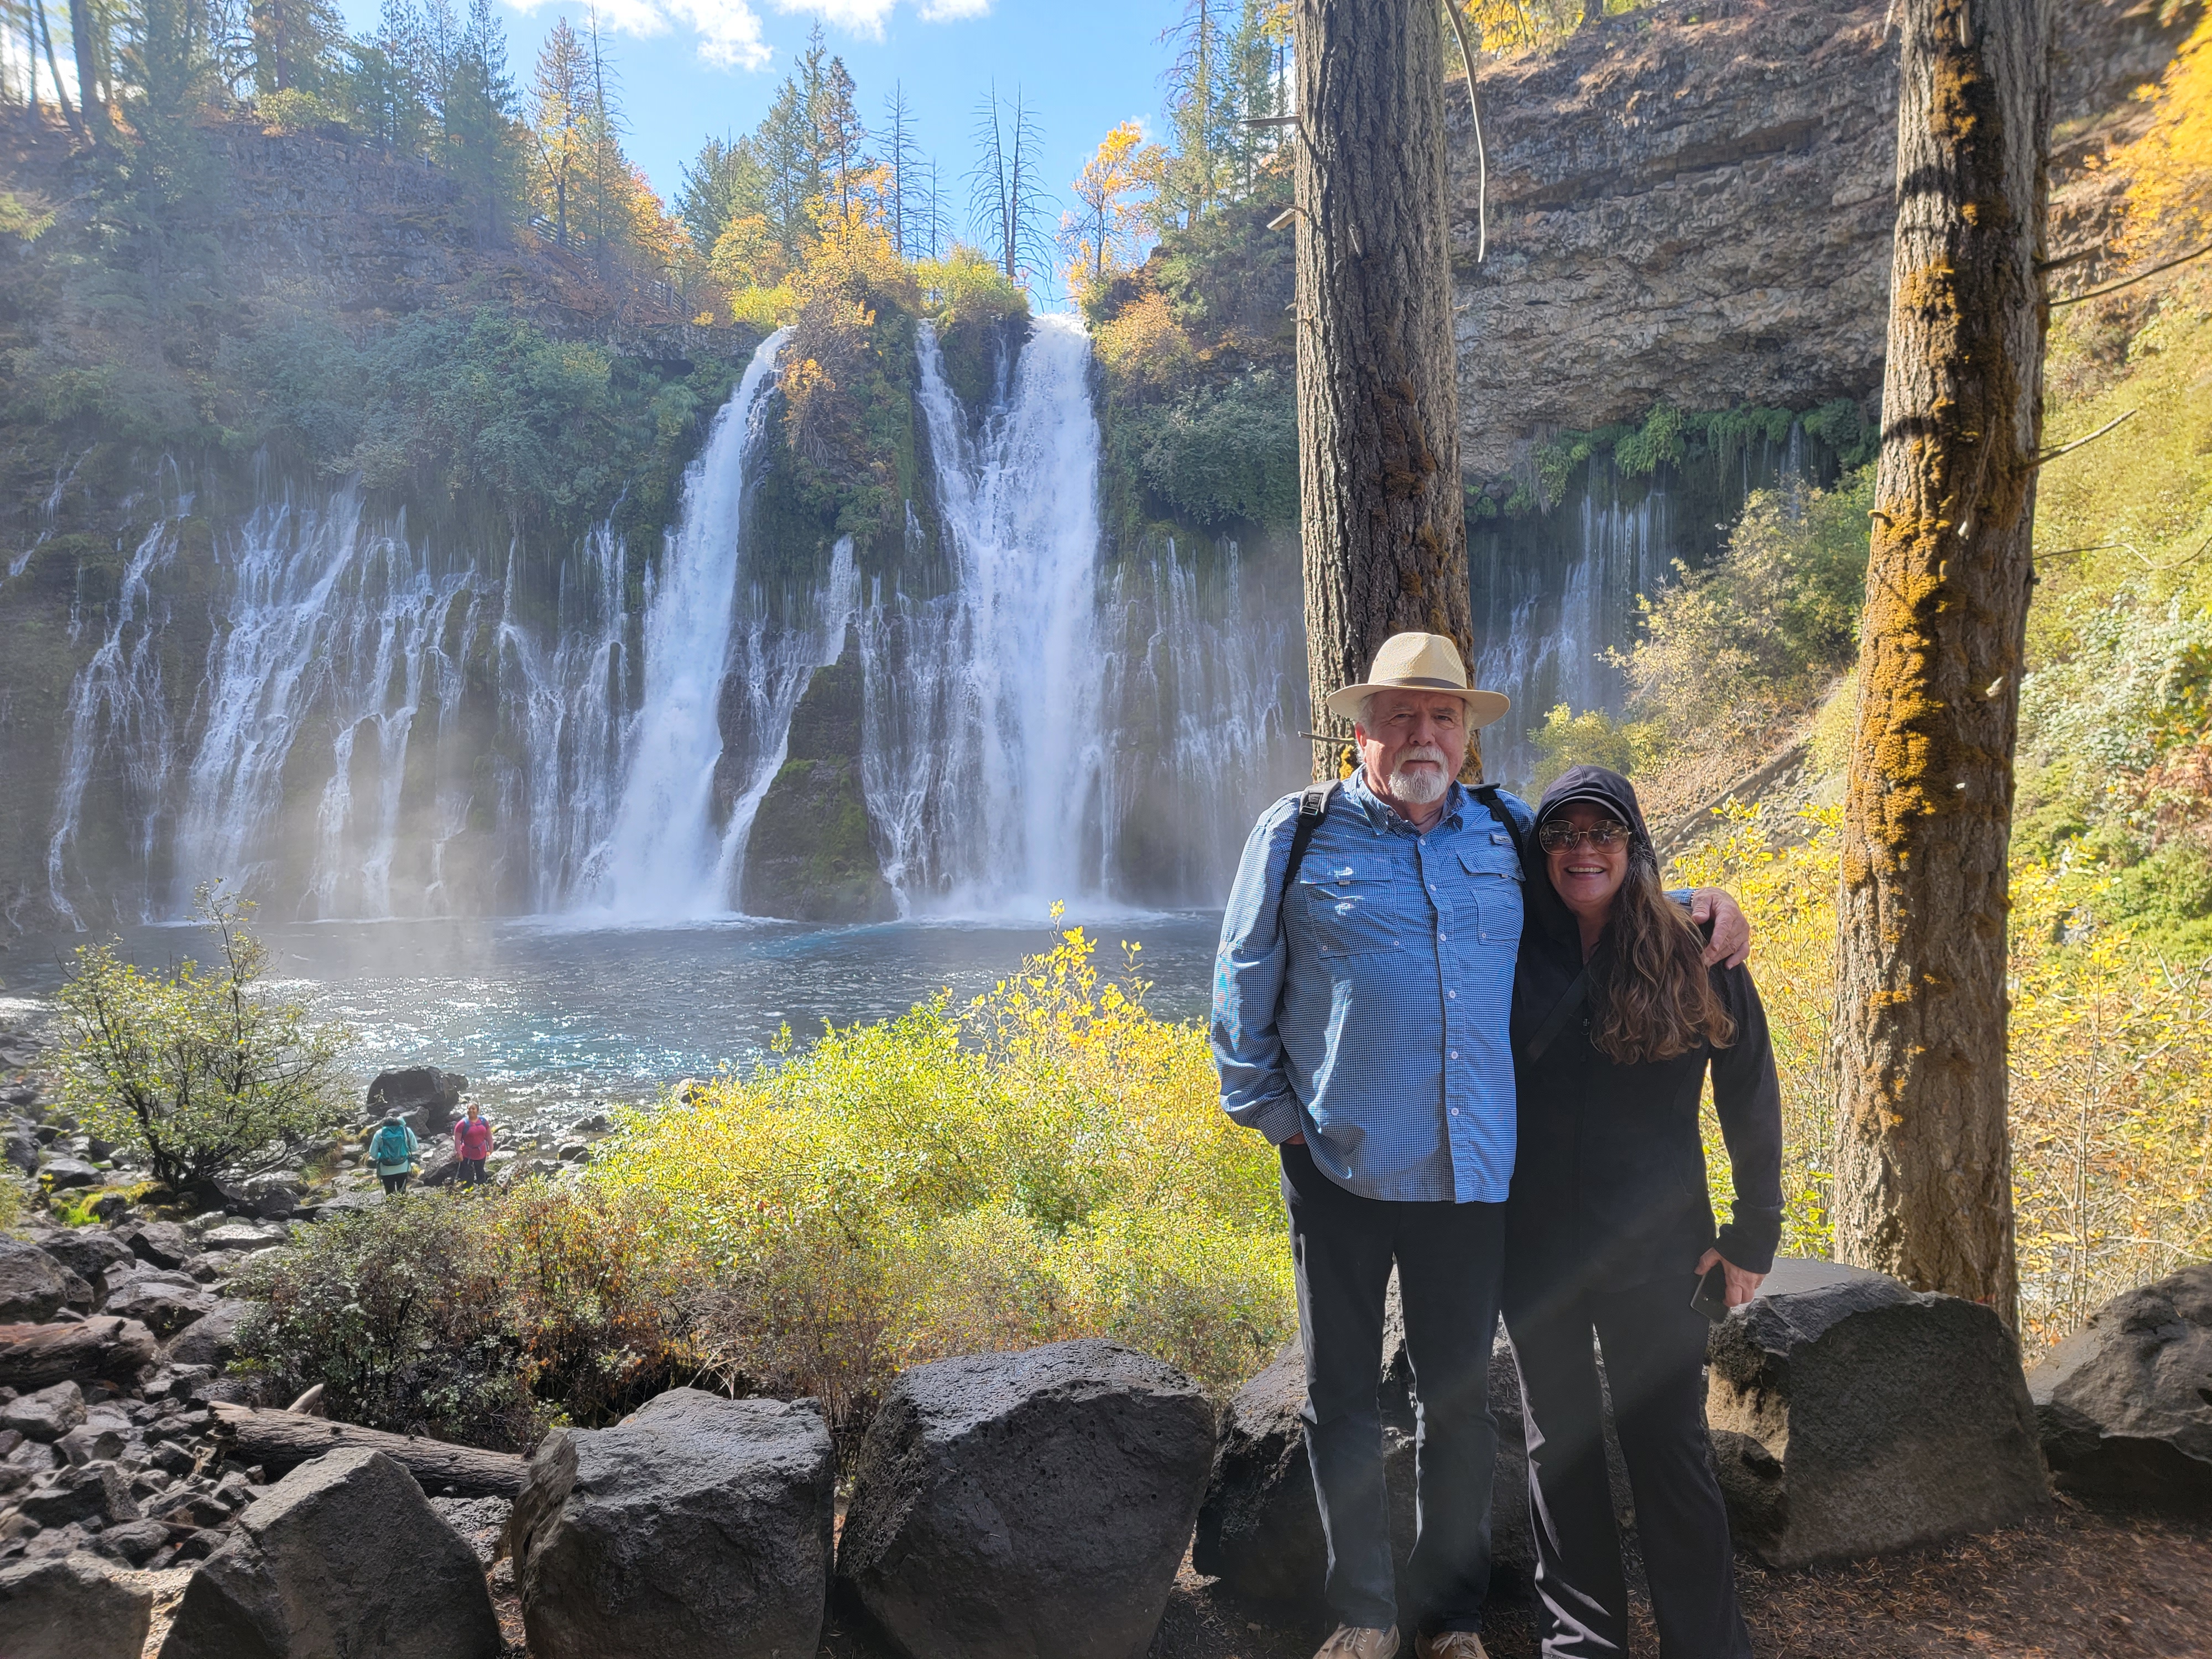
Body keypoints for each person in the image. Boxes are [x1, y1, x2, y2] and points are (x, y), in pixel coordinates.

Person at [1212, 634, 1750, 1659]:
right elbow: (1241, 981)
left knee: (1456, 1398)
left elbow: (1603, 895)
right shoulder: (1296, 834)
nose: (1424, 734)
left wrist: (1705, 905)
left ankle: (1452, 1614)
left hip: (1471, 1174)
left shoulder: (1506, 830)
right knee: (1339, 1396)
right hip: (1339, 1165)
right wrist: (1281, 1121)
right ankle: (1364, 1611)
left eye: (1443, 717)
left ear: (1466, 735)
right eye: (1402, 716)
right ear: (1360, 727)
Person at [1503, 765, 1783, 1658]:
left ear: (1634, 844)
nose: (1583, 848)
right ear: (1540, 849)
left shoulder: (1694, 948)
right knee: (1560, 1450)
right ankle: (1582, 1643)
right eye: (1563, 834)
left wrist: (1753, 1234)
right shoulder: (1509, 942)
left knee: (1669, 1450)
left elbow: (1750, 1093)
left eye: (1603, 832)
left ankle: (1708, 1644)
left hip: (1662, 1250)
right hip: (1534, 1249)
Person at [367, 1110, 419, 1196]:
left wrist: (382, 1155)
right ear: (399, 1118)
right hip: (403, 1168)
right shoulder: (407, 1131)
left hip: (386, 1170)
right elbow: (414, 1148)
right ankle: (402, 1209)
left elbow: (373, 1154)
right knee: (402, 1194)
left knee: (390, 1195)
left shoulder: (380, 1133)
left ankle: (391, 1209)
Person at [451, 1103, 493, 1187]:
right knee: (463, 1174)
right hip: (467, 1153)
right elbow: (457, 1139)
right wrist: (459, 1153)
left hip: (481, 1152)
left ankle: (482, 1190)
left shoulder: (483, 1122)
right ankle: (460, 1191)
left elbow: (488, 1135)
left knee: (480, 1172)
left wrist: (491, 1148)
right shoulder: (462, 1124)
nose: (471, 1111)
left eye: (473, 1109)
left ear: (478, 1111)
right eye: (469, 1109)